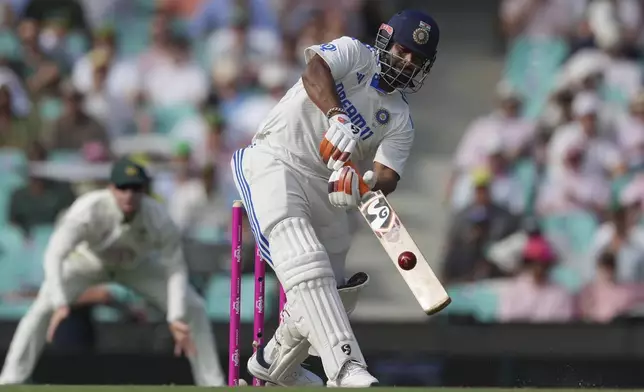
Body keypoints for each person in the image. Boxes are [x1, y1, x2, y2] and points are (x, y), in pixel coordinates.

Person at [230, 9, 439, 387]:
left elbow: (387, 176)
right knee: (306, 261)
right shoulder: (353, 52)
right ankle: (345, 368)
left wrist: (362, 184)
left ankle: (272, 363)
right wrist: (337, 116)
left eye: (416, 60)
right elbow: (314, 72)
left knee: (338, 294)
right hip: (276, 159)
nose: (407, 63)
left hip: (326, 188)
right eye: (403, 51)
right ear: (386, 42)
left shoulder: (399, 119)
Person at [0, 157, 225, 386]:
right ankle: (11, 380)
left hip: (137, 266)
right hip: (89, 262)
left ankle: (211, 382)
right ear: (111, 188)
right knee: (40, 308)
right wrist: (59, 301)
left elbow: (175, 267)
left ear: (144, 190)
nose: (129, 194)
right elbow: (55, 254)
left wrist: (175, 315)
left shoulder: (158, 218)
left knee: (194, 307)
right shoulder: (88, 210)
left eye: (135, 188)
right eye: (122, 187)